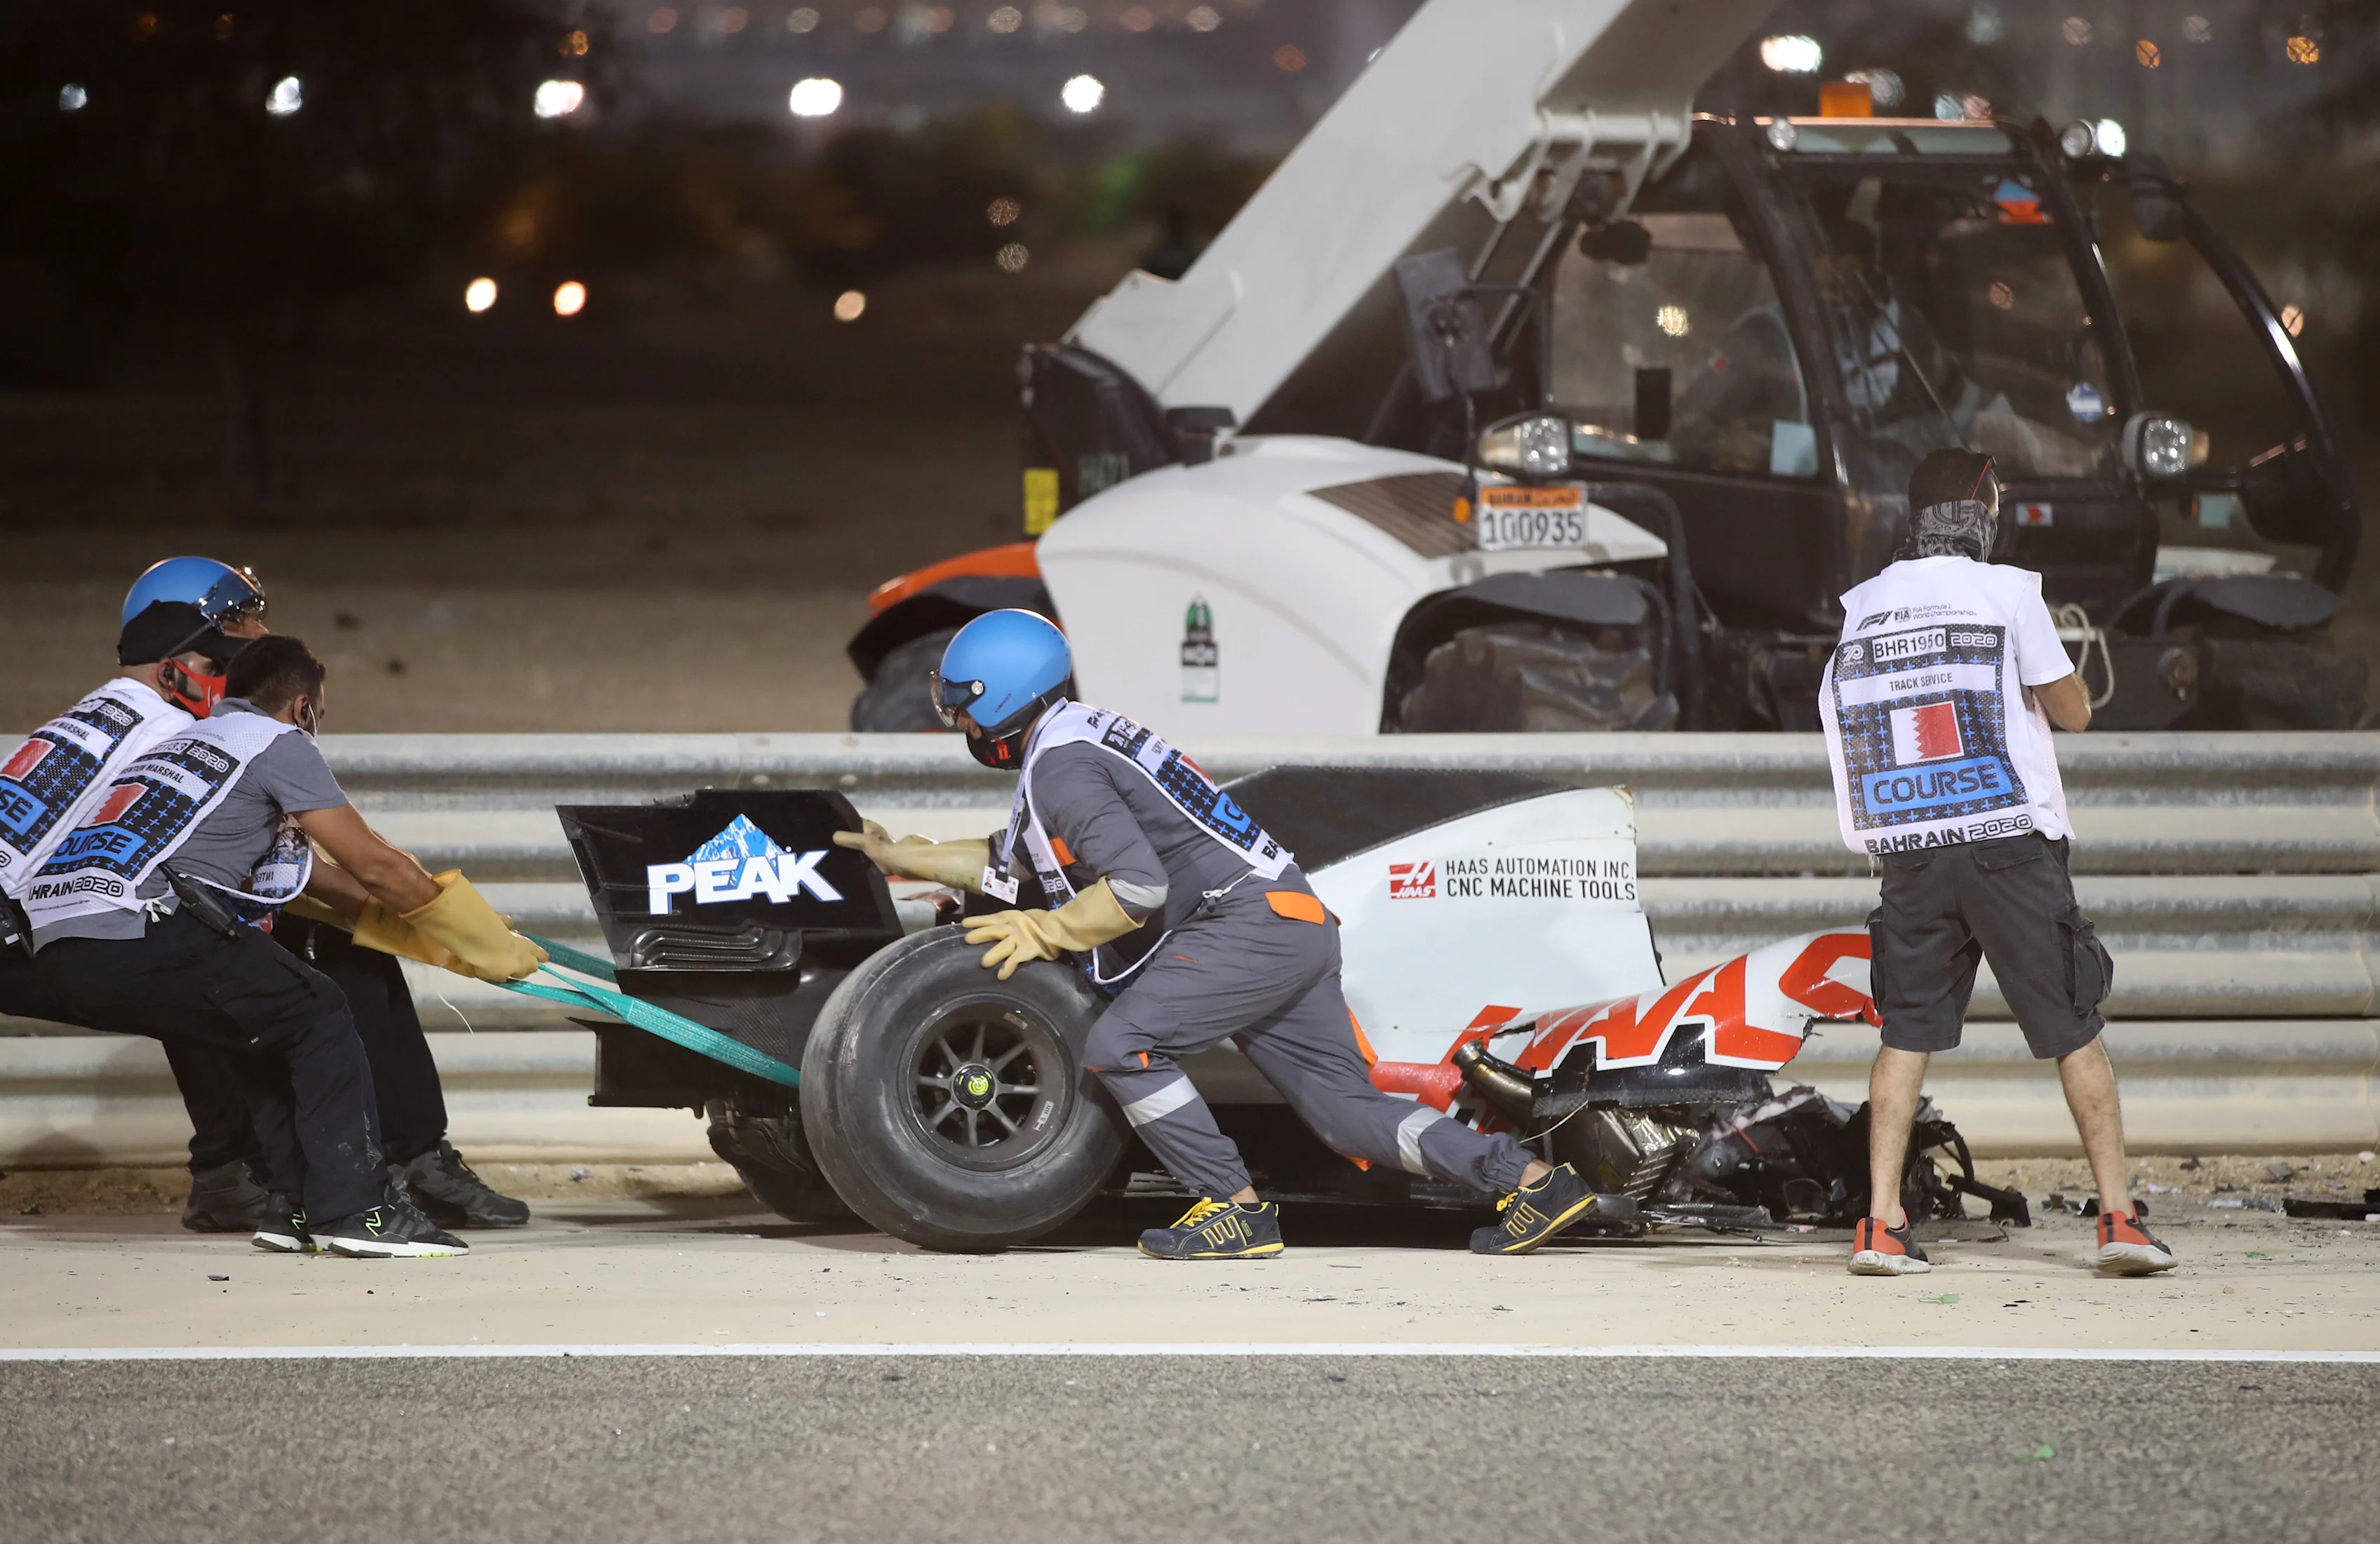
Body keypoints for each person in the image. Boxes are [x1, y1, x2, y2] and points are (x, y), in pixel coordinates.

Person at [834, 609, 1598, 1258]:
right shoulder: (1077, 738)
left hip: (1247, 923)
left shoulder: (1059, 767)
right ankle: (1532, 1182)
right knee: (1344, 1112)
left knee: (1120, 1043)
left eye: (963, 702)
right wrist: (904, 851)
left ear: (1003, 695)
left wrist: (1048, 927)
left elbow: (1136, 888)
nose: (957, 719)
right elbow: (1013, 862)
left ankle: (1232, 1206)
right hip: (1289, 917)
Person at [26, 635, 547, 1258]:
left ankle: (293, 1206)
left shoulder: (187, 742)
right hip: (143, 925)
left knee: (259, 1024)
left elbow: (321, 882)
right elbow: (375, 864)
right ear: (303, 707)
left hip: (57, 944)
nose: (315, 726)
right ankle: (361, 1212)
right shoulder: (275, 743)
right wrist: (482, 936)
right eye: (318, 715)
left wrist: (435, 928)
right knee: (323, 1015)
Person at [1817, 448, 2175, 1278]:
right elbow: (2073, 712)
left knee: (1904, 1033)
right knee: (2073, 1027)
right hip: (2007, 842)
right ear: (1979, 513)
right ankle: (2118, 1218)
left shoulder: (1862, 607)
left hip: (1907, 848)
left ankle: (1878, 1223)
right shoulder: (2010, 591)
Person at [119, 558, 533, 1232]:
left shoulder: (182, 718)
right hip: (135, 928)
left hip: (141, 919)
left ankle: (300, 1163)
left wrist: (396, 913)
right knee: (301, 970)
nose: (258, 633)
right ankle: (377, 1161)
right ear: (190, 639)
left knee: (305, 950)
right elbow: (319, 867)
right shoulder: (174, 730)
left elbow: (274, 866)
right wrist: (439, 922)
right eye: (240, 621)